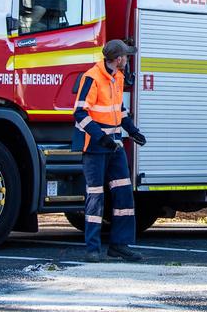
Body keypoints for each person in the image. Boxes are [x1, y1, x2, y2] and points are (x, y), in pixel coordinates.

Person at [73, 39, 148, 263]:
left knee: (124, 194)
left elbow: (119, 110)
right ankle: (92, 249)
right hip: (96, 147)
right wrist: (101, 138)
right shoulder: (92, 77)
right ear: (118, 59)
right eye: (126, 56)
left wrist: (132, 130)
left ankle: (120, 245)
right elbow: (80, 114)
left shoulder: (117, 77)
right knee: (96, 196)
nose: (127, 59)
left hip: (114, 145)